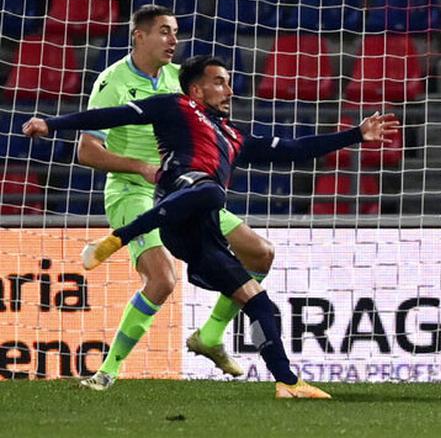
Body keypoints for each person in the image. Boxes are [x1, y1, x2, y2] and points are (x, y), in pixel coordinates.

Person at [24, 55, 399, 399]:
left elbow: (293, 148)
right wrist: (52, 123)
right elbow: (109, 116)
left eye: (229, 82)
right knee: (207, 193)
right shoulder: (175, 106)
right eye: (220, 82)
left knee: (261, 304)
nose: (229, 90)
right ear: (197, 88)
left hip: (203, 231)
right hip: (177, 198)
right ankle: (117, 243)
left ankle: (286, 381)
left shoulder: (233, 138)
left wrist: (355, 135)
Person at [74, 5, 275, 391]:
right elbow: (87, 151)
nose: (173, 40)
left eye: (176, 32)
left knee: (260, 253)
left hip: (181, 188)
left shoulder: (177, 80)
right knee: (163, 279)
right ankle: (107, 371)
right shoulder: (112, 81)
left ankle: (211, 335)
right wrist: (142, 167)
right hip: (131, 190)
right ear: (140, 36)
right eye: (165, 31)